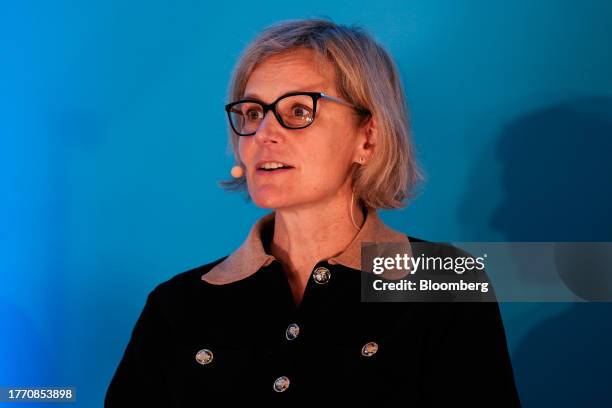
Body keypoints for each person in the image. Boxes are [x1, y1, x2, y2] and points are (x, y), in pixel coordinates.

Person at [105, 18, 520, 406]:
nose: (264, 134)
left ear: (368, 137)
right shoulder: (177, 305)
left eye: (299, 110)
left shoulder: (442, 282)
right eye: (252, 113)